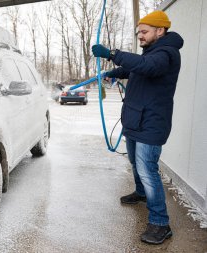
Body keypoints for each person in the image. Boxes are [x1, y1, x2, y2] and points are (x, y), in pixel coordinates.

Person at [92, 10, 183, 244]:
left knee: (148, 171)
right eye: (139, 32)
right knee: (136, 163)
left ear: (160, 31)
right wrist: (114, 72)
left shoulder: (167, 53)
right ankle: (141, 193)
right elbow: (136, 68)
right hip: (135, 120)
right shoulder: (151, 52)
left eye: (144, 32)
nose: (140, 36)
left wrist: (112, 54)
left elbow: (146, 66)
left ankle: (161, 224)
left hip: (151, 124)